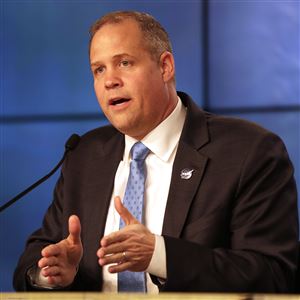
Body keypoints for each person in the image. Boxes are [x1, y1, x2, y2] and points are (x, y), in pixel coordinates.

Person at [13, 11, 298, 293]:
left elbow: (274, 274)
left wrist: (160, 256)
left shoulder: (247, 151)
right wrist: (50, 274)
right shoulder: (84, 155)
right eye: (99, 70)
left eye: (124, 63)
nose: (109, 80)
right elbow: (37, 254)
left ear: (165, 67)